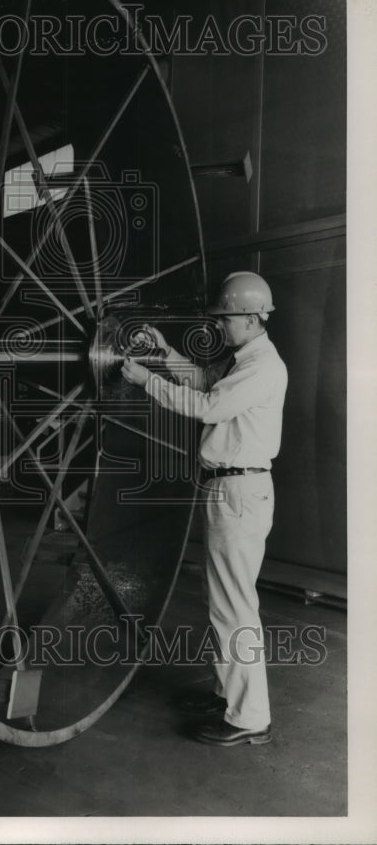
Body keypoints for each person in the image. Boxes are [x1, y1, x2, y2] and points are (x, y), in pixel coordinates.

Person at [121, 271, 288, 747]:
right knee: (224, 603)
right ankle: (227, 697)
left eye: (227, 318)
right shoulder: (244, 360)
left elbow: (207, 407)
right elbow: (203, 381)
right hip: (227, 491)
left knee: (235, 607)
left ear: (254, 318)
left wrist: (144, 378)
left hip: (239, 494)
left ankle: (249, 718)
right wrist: (165, 351)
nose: (220, 326)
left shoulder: (264, 367)